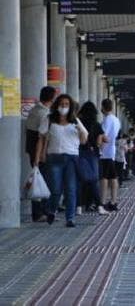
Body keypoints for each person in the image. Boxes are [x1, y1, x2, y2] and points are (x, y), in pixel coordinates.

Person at [36, 94, 88, 227]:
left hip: (71, 158)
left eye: (66, 104)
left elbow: (83, 141)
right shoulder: (49, 119)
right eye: (61, 104)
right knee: (55, 190)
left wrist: (80, 131)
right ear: (56, 105)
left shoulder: (75, 121)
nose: (63, 107)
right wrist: (38, 156)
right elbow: (41, 138)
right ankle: (52, 210)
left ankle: (70, 218)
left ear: (70, 107)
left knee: (70, 189)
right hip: (54, 157)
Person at [25, 86, 56, 222]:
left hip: (32, 150)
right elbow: (42, 137)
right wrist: (42, 154)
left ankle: (39, 212)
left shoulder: (34, 110)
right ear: (52, 98)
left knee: (38, 180)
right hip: (40, 152)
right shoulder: (44, 113)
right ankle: (40, 212)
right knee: (42, 182)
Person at [77, 102, 108, 216]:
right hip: (92, 154)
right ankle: (99, 206)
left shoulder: (79, 123)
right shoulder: (96, 124)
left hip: (79, 152)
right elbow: (101, 141)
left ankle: (79, 207)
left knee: (79, 180)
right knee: (94, 181)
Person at [100, 99, 121, 212]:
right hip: (111, 152)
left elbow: (104, 136)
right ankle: (113, 201)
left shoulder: (107, 119)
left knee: (104, 177)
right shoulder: (116, 120)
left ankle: (102, 202)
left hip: (105, 153)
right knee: (113, 177)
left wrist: (100, 150)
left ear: (103, 107)